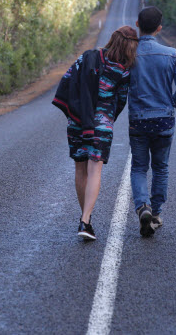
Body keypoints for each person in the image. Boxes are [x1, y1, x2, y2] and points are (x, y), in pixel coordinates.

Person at [53, 26, 139, 240]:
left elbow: (67, 81)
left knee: (80, 169)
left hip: (77, 120)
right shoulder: (124, 71)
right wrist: (107, 118)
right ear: (131, 46)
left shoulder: (88, 57)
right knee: (95, 172)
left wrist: (73, 111)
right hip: (101, 126)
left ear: (113, 39)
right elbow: (120, 101)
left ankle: (86, 219)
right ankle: (85, 219)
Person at [128, 6, 176, 237]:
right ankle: (155, 213)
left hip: (138, 121)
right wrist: (173, 102)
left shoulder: (130, 55)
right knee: (161, 168)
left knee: (138, 167)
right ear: (159, 28)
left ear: (137, 24)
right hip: (164, 120)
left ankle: (142, 206)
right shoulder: (172, 54)